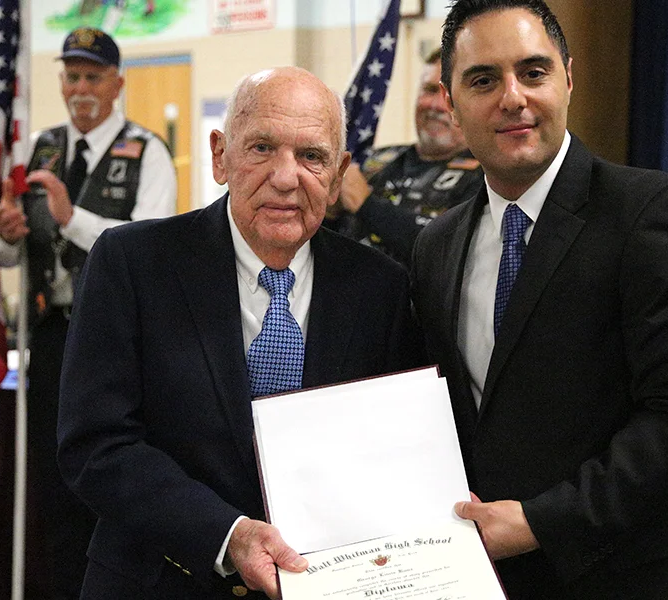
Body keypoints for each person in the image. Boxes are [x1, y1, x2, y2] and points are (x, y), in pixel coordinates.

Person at [410, 1, 668, 598]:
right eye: (483, 79)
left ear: (568, 76)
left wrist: (543, 522)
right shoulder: (436, 246)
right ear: (453, 99)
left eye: (533, 72)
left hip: (640, 578)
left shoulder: (656, 214)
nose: (512, 97)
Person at [56, 66, 420, 599]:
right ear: (220, 155)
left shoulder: (380, 289)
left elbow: (394, 449)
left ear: (340, 174)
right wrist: (229, 536)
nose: (285, 176)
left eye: (312, 156)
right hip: (159, 582)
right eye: (262, 148)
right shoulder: (131, 263)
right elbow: (95, 445)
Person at [0, 27, 177, 598]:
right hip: (49, 340)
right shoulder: (38, 149)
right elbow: (3, 252)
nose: (81, 88)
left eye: (93, 76)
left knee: (109, 479)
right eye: (72, 76)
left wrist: (71, 218)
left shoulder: (147, 152)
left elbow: (148, 247)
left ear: (118, 83)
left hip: (120, 343)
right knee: (52, 485)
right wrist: (7, 232)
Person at [333, 49, 484, 266]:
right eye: (430, 90)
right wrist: (330, 213)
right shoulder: (376, 159)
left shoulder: (485, 177)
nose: (436, 105)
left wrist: (366, 205)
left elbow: (447, 250)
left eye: (450, 95)